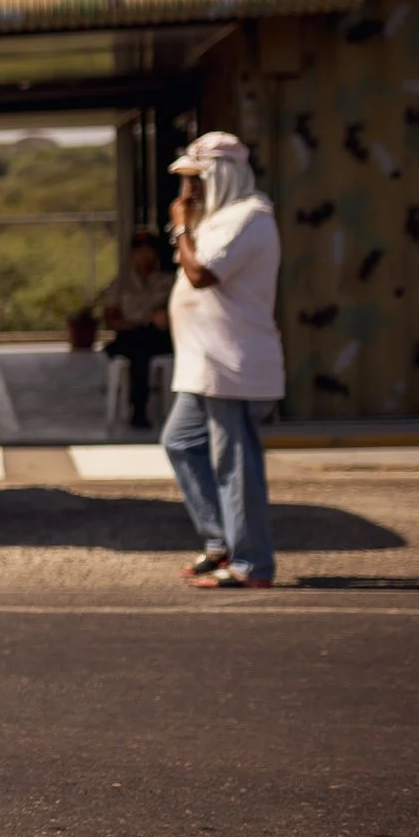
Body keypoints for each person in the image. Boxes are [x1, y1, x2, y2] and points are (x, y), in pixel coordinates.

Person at [159, 133, 283, 588]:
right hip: (203, 364)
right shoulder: (216, 220)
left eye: (195, 181)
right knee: (181, 442)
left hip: (232, 363)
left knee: (235, 462)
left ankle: (252, 564)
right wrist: (190, 225)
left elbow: (201, 275)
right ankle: (220, 542)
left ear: (221, 176)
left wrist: (181, 228)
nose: (187, 193)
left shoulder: (248, 218)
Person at [99, 233, 174, 429]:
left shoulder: (168, 282)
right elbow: (111, 319)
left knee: (144, 347)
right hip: (130, 335)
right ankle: (138, 408)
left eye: (149, 255)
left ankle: (139, 407)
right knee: (138, 347)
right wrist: (136, 323)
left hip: (157, 336)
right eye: (141, 255)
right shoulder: (121, 283)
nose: (145, 260)